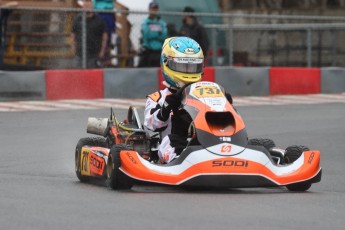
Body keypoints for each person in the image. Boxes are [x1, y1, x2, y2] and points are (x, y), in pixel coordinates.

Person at [143, 37, 204, 163]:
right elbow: (150, 125)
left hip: (203, 142)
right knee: (172, 141)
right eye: (182, 66)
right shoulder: (158, 98)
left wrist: (224, 104)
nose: (188, 73)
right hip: (173, 145)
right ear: (166, 63)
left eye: (192, 67)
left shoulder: (204, 94)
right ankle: (180, 161)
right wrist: (165, 108)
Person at [72, 0, 108, 68]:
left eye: (88, 6)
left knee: (92, 74)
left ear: (92, 7)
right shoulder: (77, 19)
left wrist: (102, 51)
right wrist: (73, 47)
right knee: (78, 74)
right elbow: (73, 34)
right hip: (79, 54)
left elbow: (105, 36)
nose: (86, 8)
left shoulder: (99, 20)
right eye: (85, 6)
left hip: (94, 54)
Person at [138, 1, 167, 67]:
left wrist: (153, 33)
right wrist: (157, 33)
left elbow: (164, 36)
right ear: (149, 9)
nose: (154, 10)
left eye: (155, 9)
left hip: (159, 51)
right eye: (152, 8)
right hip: (148, 51)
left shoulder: (162, 23)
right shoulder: (145, 22)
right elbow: (146, 35)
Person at [0, 1, 18, 68]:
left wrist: (5, 5)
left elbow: (15, 3)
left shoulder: (3, 10)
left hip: (1, 37)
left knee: (1, 52)